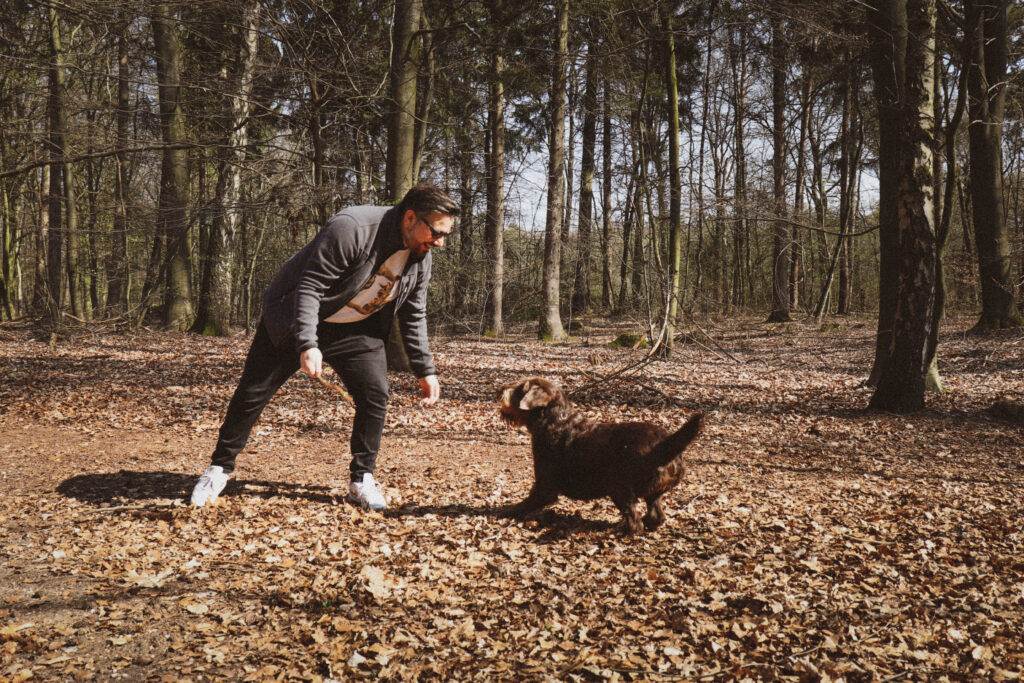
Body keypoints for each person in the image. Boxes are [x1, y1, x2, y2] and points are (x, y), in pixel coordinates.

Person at [190, 183, 458, 511]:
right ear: (410, 218)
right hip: (296, 317)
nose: (441, 242)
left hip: (356, 328)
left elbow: (414, 313)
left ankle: (362, 479)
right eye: (436, 232)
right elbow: (310, 285)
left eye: (446, 234)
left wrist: (425, 369)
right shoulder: (353, 228)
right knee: (253, 392)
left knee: (375, 394)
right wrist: (307, 342)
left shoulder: (420, 256)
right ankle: (219, 468)